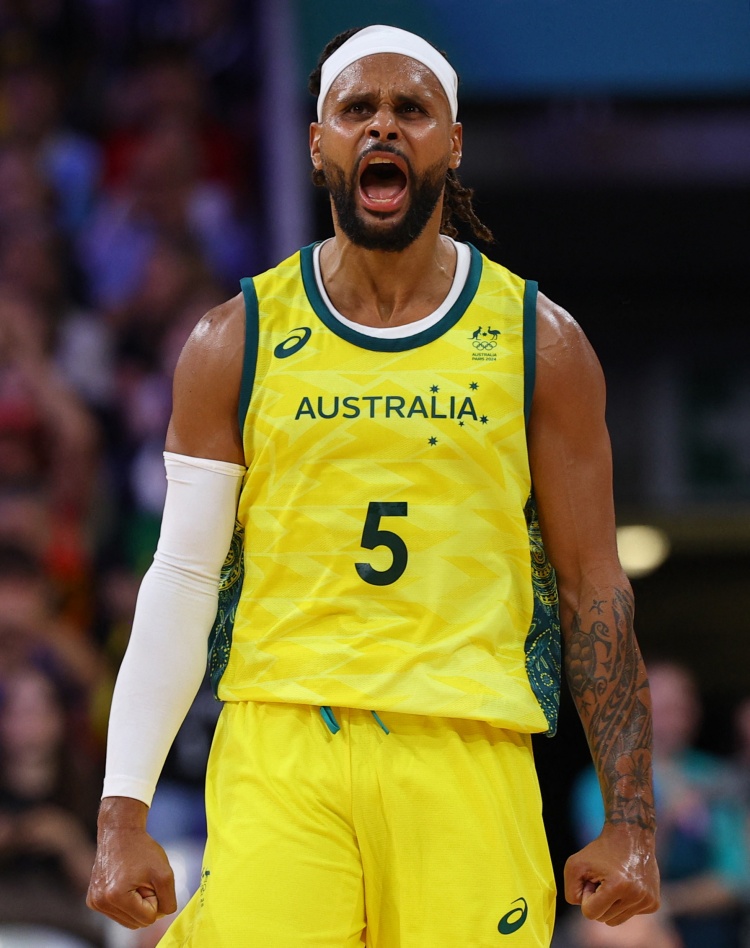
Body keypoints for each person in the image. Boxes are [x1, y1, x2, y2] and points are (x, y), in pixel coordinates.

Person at [87, 25, 660, 946]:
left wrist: (631, 814)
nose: (383, 128)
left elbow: (594, 583)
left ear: (454, 142)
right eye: (358, 108)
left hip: (465, 748)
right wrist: (123, 810)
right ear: (319, 144)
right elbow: (183, 579)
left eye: (411, 110)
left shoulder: (539, 342)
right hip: (282, 743)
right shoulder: (235, 339)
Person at [573, 660, 749, 948]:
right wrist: (666, 818)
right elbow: (612, 875)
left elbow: (736, 876)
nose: (673, 720)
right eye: (662, 708)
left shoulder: (715, 778)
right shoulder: (602, 783)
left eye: (681, 709)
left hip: (710, 930)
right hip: (634, 930)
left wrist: (670, 902)